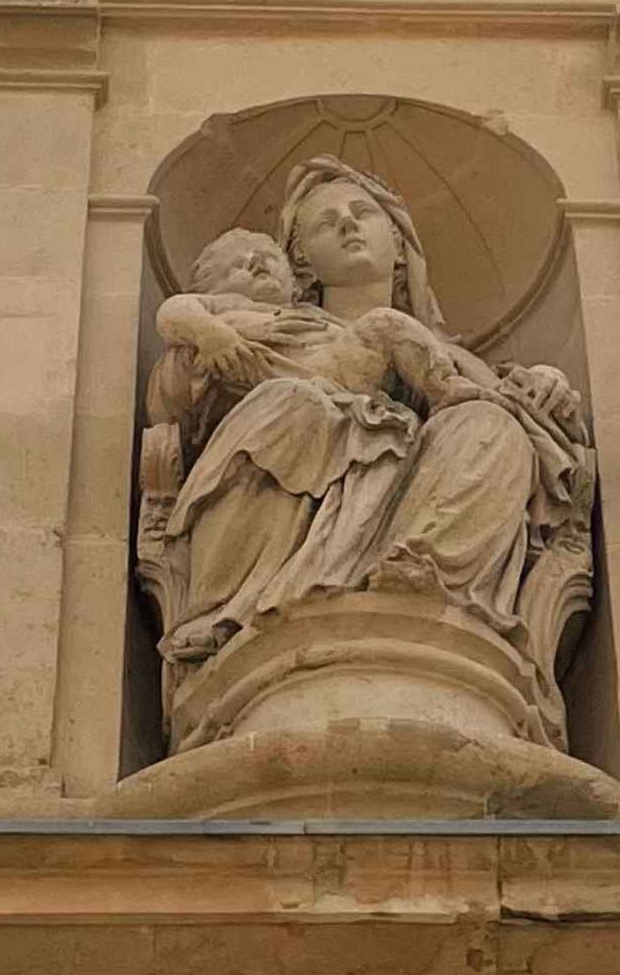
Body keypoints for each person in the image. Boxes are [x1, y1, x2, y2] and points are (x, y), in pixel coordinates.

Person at [137, 161, 594, 709]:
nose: (349, 226)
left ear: (398, 241)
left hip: (423, 569)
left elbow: (508, 402)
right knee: (291, 402)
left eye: (363, 213)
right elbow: (177, 394)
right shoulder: (272, 326)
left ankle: (418, 572)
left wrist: (546, 383)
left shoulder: (449, 357)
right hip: (288, 464)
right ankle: (260, 604)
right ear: (301, 258)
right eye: (326, 222)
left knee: (491, 426)